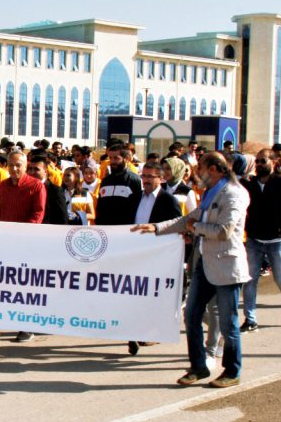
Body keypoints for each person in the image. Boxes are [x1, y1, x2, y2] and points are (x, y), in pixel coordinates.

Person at [132, 152, 251, 389]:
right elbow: (188, 218)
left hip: (227, 265)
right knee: (191, 314)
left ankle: (232, 371)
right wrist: (156, 228)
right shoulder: (210, 192)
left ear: (214, 169)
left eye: (200, 169)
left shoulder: (234, 193)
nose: (196, 174)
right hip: (204, 263)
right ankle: (198, 366)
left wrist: (195, 227)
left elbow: (224, 231)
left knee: (228, 322)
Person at [0, 150, 45, 344]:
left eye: (18, 165)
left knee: (24, 288)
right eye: (11, 165)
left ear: (25, 165)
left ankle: (27, 326)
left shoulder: (36, 186)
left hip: (26, 245)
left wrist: (20, 235)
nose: (14, 169)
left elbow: (38, 215)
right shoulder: (4, 185)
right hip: (4, 244)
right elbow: (1, 213)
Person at [240, 149, 281, 332]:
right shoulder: (250, 185)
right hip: (254, 239)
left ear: (273, 162)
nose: (260, 164)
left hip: (277, 240)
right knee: (250, 279)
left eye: (263, 161)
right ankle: (250, 319)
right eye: (257, 161)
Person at [127, 161, 183, 355]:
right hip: (135, 253)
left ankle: (153, 331)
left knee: (153, 294)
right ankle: (134, 332)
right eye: (143, 176)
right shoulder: (134, 198)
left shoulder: (168, 200)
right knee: (135, 292)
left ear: (161, 178)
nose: (146, 180)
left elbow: (177, 226)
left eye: (150, 176)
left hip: (158, 254)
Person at [96, 143, 143, 225]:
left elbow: (138, 208)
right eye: (110, 158)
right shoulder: (105, 181)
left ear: (126, 159)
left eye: (116, 158)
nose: (112, 161)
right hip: (105, 229)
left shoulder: (134, 180)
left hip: (125, 229)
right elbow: (100, 207)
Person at [27, 154, 67, 225]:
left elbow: (62, 219)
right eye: (30, 169)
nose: (32, 172)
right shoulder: (25, 188)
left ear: (45, 171)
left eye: (36, 169)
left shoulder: (55, 191)